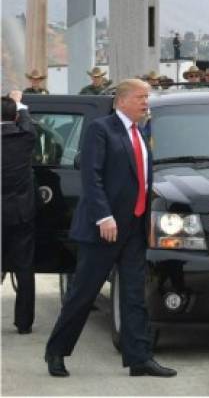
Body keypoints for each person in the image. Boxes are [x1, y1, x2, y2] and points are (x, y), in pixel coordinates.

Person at [44, 79, 176, 378]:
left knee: (133, 295)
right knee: (83, 294)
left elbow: (141, 179)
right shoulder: (101, 130)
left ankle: (139, 358)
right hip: (104, 228)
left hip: (134, 228)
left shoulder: (141, 132)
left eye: (147, 97)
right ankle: (56, 352)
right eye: (141, 97)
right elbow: (91, 177)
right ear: (123, 100)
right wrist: (104, 217)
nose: (146, 102)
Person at [1, 91, 37, 334]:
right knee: (24, 268)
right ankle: (24, 323)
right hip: (21, 213)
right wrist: (19, 102)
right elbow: (27, 122)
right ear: (14, 117)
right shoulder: (25, 137)